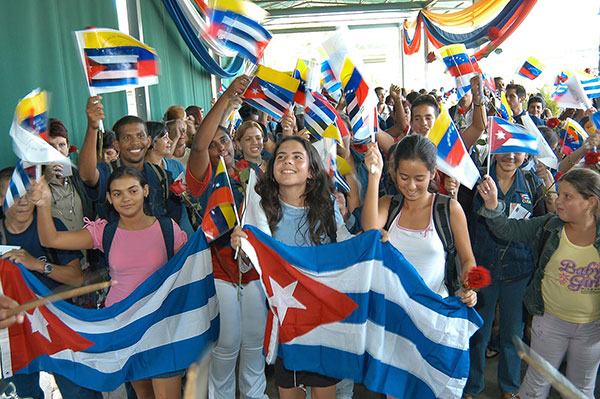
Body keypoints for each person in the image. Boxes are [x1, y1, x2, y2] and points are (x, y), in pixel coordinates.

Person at [30, 166, 187, 399]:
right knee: (143, 396)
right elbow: (50, 238)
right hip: (123, 328)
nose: (126, 198)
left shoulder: (167, 228)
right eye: (117, 193)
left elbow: (187, 274)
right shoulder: (105, 232)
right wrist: (43, 204)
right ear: (109, 198)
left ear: (145, 191)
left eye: (132, 191)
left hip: (161, 326)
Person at [231, 135, 354, 399]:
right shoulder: (260, 210)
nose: (288, 161)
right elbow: (247, 267)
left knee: (326, 392)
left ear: (311, 171)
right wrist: (241, 248)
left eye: (297, 157)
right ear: (272, 170)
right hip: (286, 321)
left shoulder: (326, 204)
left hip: (323, 319)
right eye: (281, 157)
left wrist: (371, 243)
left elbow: (344, 243)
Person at [476, 168, 600, 399]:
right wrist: (493, 206)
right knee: (536, 384)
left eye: (567, 196)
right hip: (550, 321)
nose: (557, 201)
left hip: (592, 330)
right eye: (559, 194)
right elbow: (507, 229)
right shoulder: (549, 226)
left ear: (590, 202)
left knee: (581, 390)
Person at [463, 150, 551, 399]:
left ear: (526, 154)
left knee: (513, 334)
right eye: (504, 149)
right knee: (478, 332)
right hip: (482, 268)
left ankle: (510, 386)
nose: (510, 156)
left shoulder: (533, 182)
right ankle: (472, 386)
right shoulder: (476, 180)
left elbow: (541, 224)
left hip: (519, 270)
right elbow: (464, 220)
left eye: (517, 151)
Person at [0, 169, 88, 399]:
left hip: (58, 322)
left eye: (29, 193)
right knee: (24, 394)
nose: (23, 201)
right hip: (14, 330)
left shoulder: (51, 225)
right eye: (14, 194)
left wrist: (37, 265)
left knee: (78, 391)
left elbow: (77, 278)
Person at [361, 135, 477, 305]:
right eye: (404, 177)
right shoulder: (388, 204)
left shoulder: (450, 209)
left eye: (419, 179)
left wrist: (468, 287)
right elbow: (370, 229)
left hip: (434, 312)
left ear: (433, 173)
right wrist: (374, 175)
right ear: (394, 171)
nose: (411, 186)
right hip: (392, 311)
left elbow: (467, 259)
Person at [79, 96, 182, 223]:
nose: (135, 142)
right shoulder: (108, 172)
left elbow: (172, 218)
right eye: (127, 138)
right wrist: (92, 127)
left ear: (149, 141)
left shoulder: (161, 176)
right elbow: (87, 176)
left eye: (140, 136)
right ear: (117, 145)